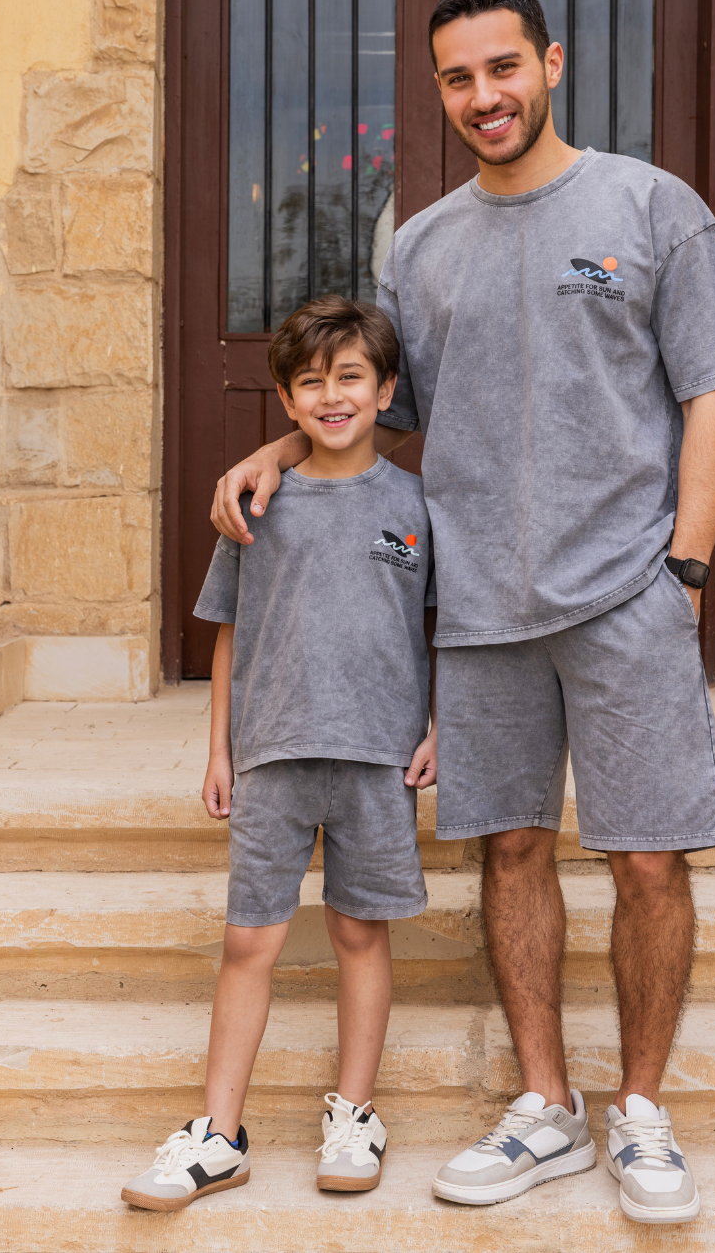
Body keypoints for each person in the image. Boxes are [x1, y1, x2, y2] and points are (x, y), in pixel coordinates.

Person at [210, 0, 715, 1225]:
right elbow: (375, 408)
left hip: (626, 589)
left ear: (551, 63)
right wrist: (276, 451)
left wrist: (685, 569)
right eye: (459, 79)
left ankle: (641, 1110)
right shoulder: (420, 247)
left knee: (647, 858)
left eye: (503, 68)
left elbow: (713, 390)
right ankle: (545, 1107)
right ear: (440, 92)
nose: (485, 97)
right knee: (511, 848)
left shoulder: (649, 207)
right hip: (477, 605)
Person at [122, 296, 437, 1210]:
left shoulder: (418, 506)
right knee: (248, 939)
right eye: (311, 383)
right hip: (272, 754)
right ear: (288, 402)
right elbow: (228, 631)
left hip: (377, 757)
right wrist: (219, 750)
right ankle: (219, 1135)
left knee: (358, 933)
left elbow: (443, 629)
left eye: (351, 378)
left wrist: (440, 725)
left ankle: (356, 1115)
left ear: (385, 390)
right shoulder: (256, 501)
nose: (332, 397)